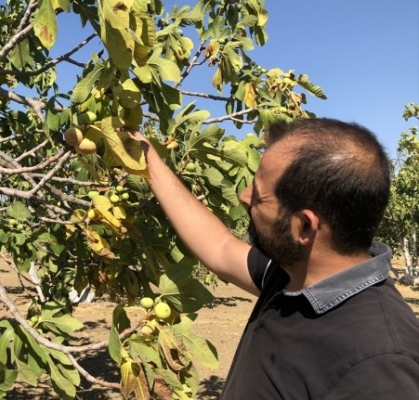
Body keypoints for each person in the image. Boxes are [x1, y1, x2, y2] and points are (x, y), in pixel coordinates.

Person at [134, 118, 419, 399]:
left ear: (305, 227)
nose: (244, 197)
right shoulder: (293, 274)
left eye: (259, 194)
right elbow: (219, 247)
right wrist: (148, 159)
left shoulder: (378, 365)